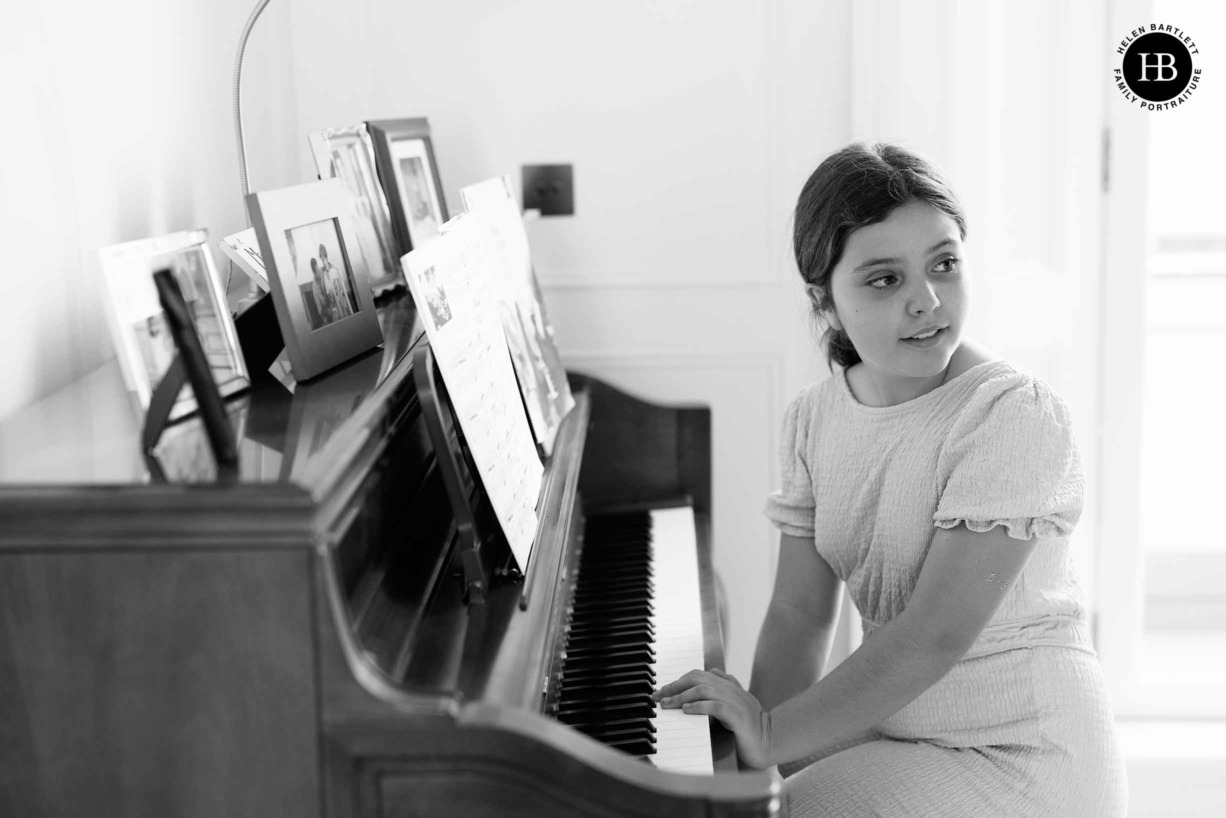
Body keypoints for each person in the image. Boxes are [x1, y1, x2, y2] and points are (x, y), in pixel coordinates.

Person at [652, 142, 1127, 817]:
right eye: (884, 279)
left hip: (1023, 755)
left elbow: (937, 632)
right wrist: (752, 772)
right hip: (905, 723)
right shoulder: (814, 419)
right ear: (825, 299)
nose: (927, 301)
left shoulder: (1012, 418)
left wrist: (767, 732)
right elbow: (798, 614)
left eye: (944, 264)